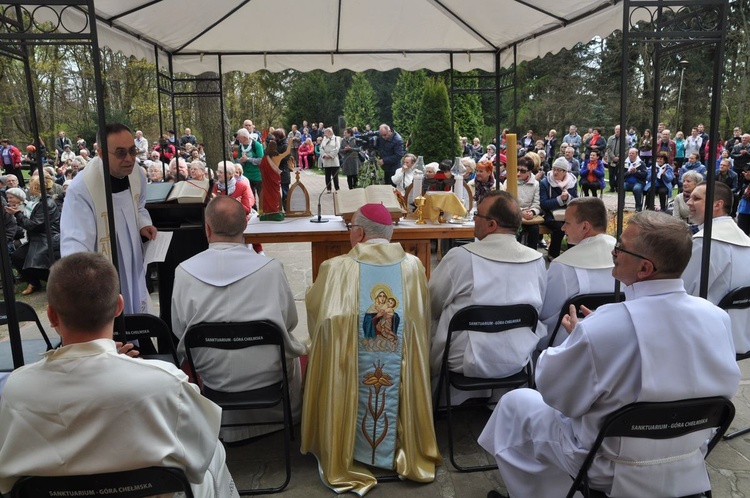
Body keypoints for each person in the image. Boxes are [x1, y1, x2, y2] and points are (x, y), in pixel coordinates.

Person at [480, 211, 741, 498]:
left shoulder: (604, 325)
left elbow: (556, 394)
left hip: (608, 464)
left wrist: (578, 339)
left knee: (516, 402)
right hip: (687, 456)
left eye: (621, 247)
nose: (614, 252)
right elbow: (719, 388)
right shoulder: (716, 317)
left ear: (644, 269)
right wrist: (589, 337)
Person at [0, 252, 239, 497]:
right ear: (118, 307)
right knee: (213, 455)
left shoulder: (16, 389)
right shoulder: (165, 382)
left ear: (50, 315)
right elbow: (201, 447)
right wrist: (130, 369)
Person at [302, 203, 440, 495]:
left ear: (359, 232)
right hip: (396, 362)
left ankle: (347, 445)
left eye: (351, 228)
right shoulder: (414, 266)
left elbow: (318, 314)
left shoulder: (335, 268)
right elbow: (421, 317)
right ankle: (403, 445)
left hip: (357, 369)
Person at [172, 196, 304, 442]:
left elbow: (180, 329)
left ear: (207, 228)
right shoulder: (271, 269)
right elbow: (289, 322)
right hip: (267, 377)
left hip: (214, 379)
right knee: (291, 350)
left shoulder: (184, 272)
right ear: (245, 226)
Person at [429, 191, 546, 405]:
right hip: (517, 357)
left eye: (477, 215)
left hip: (462, 359)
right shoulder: (536, 260)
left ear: (491, 224)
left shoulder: (461, 257)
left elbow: (432, 303)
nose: (474, 219)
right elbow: (539, 307)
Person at [60, 123, 157, 314]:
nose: (129, 159)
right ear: (102, 153)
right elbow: (75, 240)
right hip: (102, 265)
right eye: (121, 153)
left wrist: (143, 224)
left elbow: (139, 206)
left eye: (132, 151)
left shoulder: (136, 173)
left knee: (136, 302)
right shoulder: (82, 187)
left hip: (133, 257)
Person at [538, 197, 615, 349]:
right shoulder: (625, 258)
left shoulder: (563, 266)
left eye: (567, 223)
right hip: (612, 340)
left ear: (585, 227)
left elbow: (545, 312)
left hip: (569, 343)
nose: (562, 228)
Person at [683, 181, 750, 354]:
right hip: (741, 335)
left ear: (717, 204)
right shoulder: (744, 241)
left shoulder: (706, 242)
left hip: (707, 339)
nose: (689, 202)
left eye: (696, 198)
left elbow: (684, 293)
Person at [5, 177, 59, 295]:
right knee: (17, 256)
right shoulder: (38, 201)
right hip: (37, 238)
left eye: (31, 186)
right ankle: (34, 282)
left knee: (35, 263)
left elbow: (34, 225)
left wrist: (17, 214)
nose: (28, 189)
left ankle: (56, 283)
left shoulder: (46, 203)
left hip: (47, 238)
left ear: (36, 188)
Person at [540, 157, 578, 259]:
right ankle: (553, 254)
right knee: (560, 228)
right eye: (554, 169)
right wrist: (559, 200)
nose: (555, 172)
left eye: (559, 170)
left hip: (567, 214)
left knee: (573, 226)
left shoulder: (572, 182)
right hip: (549, 214)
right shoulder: (545, 182)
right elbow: (543, 204)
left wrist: (568, 198)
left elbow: (576, 201)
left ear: (565, 171)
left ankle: (572, 256)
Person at [235, 128, 264, 209]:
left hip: (258, 176)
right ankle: (253, 212)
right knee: (250, 197)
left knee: (261, 196)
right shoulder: (241, 147)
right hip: (247, 177)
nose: (237, 139)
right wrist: (240, 161)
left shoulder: (256, 145)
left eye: (239, 137)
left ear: (244, 137)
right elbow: (239, 160)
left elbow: (261, 160)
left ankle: (262, 213)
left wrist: (248, 159)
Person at [622, 147, 647, 211]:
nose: (631, 155)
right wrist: (629, 172)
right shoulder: (624, 163)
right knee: (621, 187)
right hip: (627, 182)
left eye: (633, 153)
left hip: (638, 182)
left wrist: (636, 172)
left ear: (636, 154)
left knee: (637, 189)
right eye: (630, 153)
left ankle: (638, 206)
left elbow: (644, 175)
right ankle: (621, 205)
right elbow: (620, 175)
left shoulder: (641, 163)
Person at [319, 127, 340, 193]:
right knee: (327, 175)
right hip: (326, 159)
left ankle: (337, 188)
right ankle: (328, 188)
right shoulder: (324, 139)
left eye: (326, 132)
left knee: (335, 175)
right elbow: (321, 148)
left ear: (329, 132)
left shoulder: (336, 138)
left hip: (334, 159)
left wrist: (330, 155)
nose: (324, 134)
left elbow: (337, 148)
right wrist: (324, 155)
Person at [605, 125, 622, 192]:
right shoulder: (610, 138)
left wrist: (618, 157)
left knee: (618, 174)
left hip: (619, 160)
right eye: (616, 129)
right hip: (611, 159)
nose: (617, 131)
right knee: (611, 174)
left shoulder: (625, 139)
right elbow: (608, 148)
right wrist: (613, 156)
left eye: (619, 129)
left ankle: (617, 187)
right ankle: (611, 187)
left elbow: (626, 149)